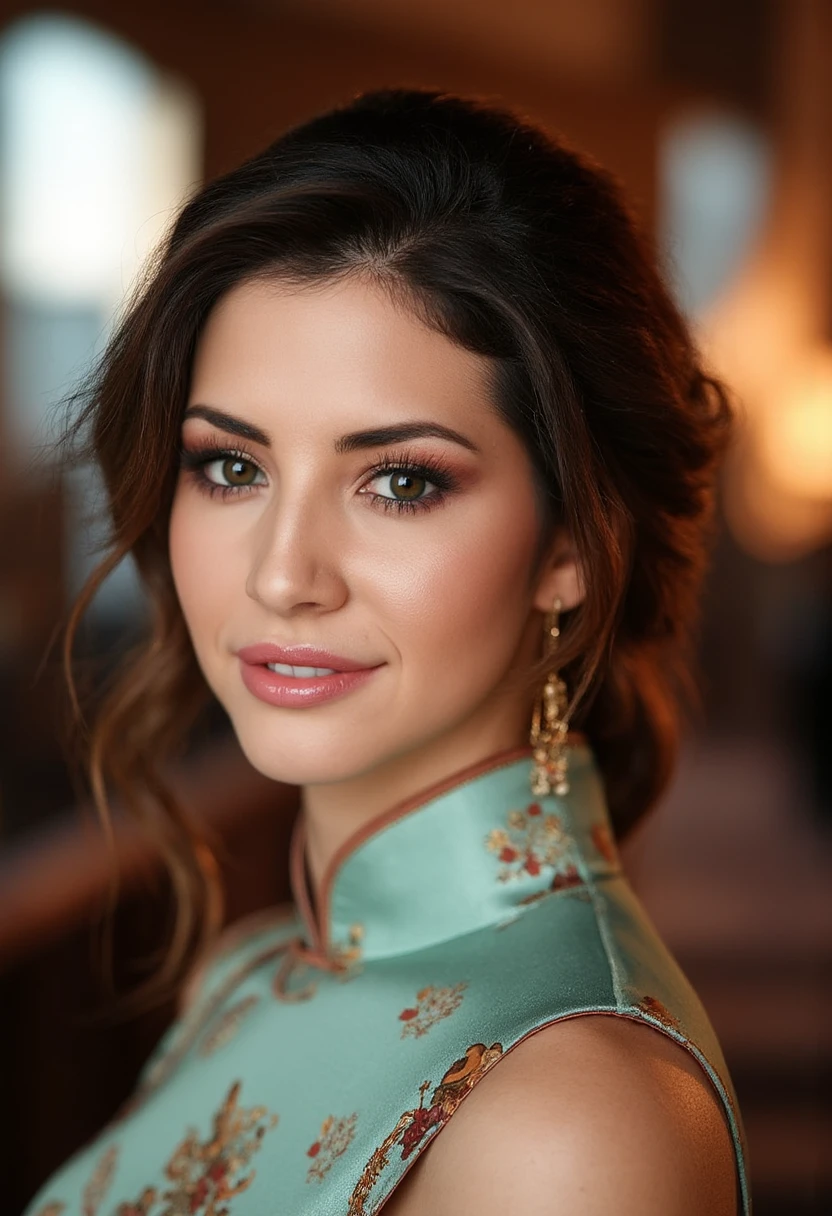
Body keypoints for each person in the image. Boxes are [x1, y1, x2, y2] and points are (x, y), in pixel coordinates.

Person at [25, 88, 750, 1215]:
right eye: (232, 466)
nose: (281, 573)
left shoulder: (575, 1121)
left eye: (399, 481)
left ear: (573, 546)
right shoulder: (249, 975)